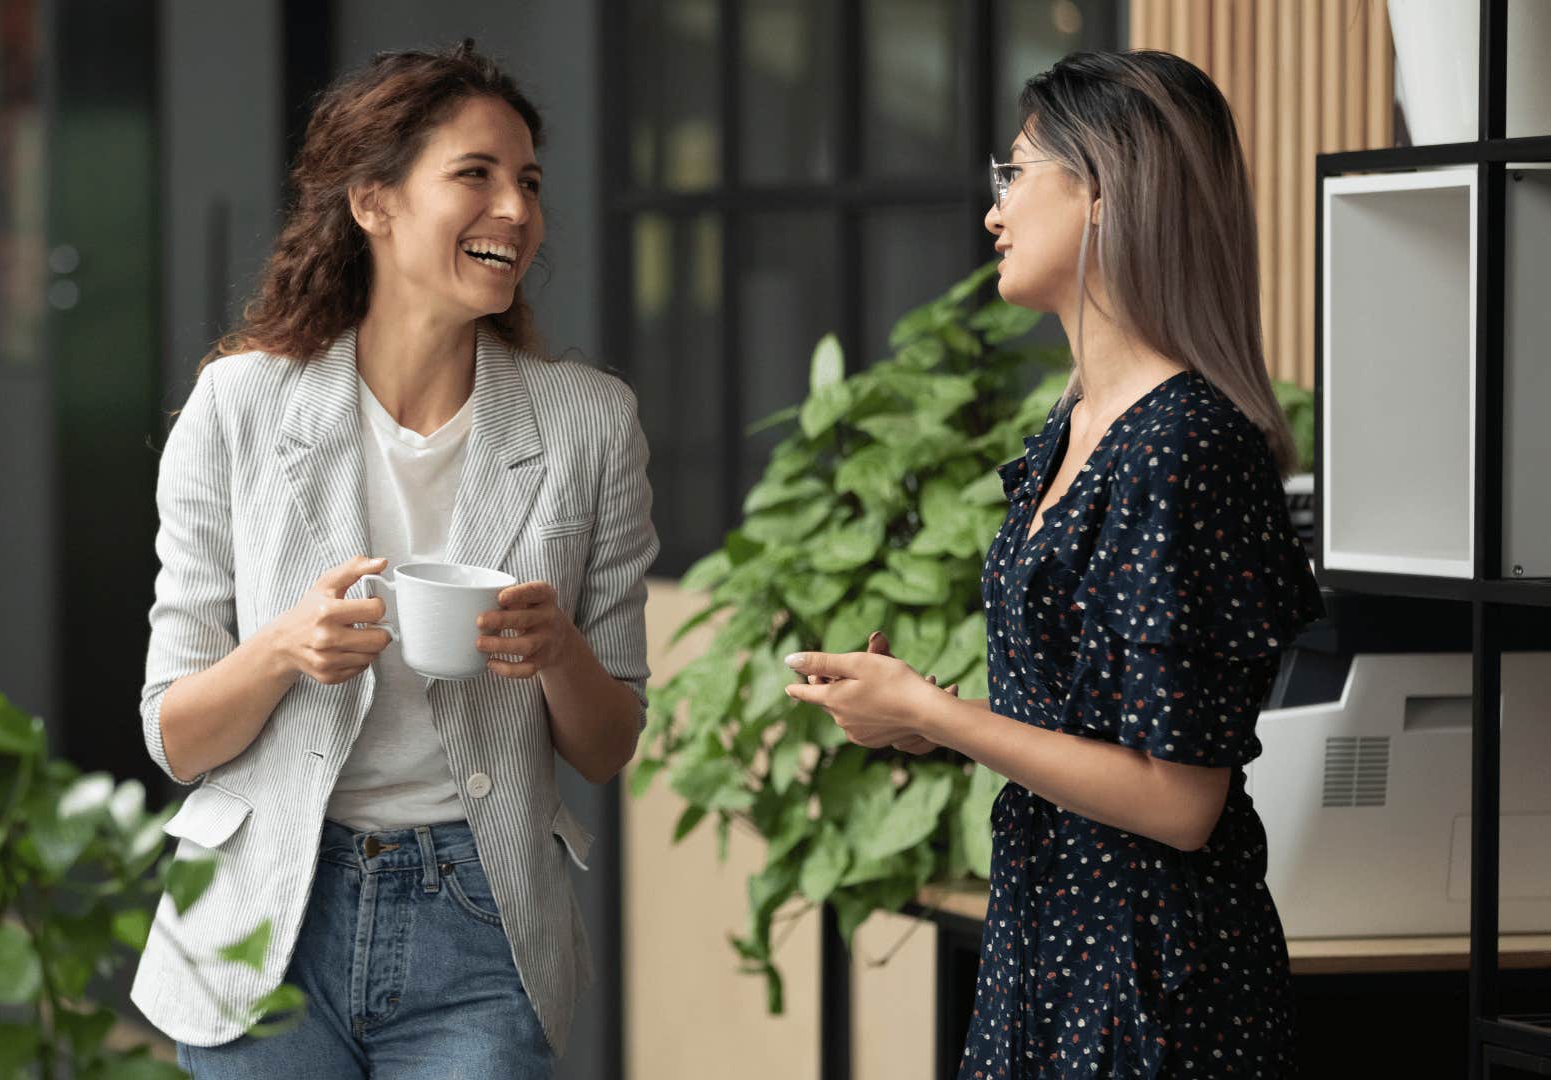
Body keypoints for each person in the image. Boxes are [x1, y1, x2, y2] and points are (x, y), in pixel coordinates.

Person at [785, 50, 1323, 1078]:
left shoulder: (1184, 446)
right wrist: (916, 717)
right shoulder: (1072, 428)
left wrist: (940, 716)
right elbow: (1081, 729)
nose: (994, 211)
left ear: (1107, 195)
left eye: (1018, 173)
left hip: (1155, 980)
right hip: (1048, 945)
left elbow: (1177, 800)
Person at [129, 41, 657, 1079]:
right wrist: (285, 648)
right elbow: (176, 736)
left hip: (480, 920)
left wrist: (557, 651)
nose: (516, 208)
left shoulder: (591, 423)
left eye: (530, 182)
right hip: (264, 916)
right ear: (373, 202)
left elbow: (607, 745)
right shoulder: (239, 407)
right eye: (476, 175)